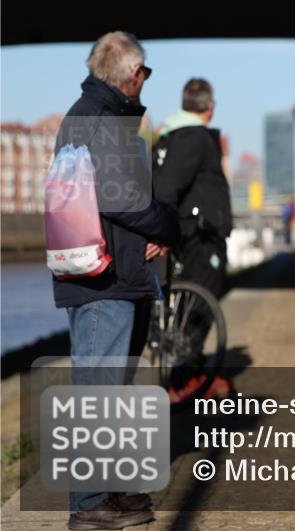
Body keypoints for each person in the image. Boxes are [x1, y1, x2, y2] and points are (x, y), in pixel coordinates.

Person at [52, 31, 179, 530]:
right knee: (98, 387)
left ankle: (113, 490)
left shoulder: (96, 116)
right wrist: (166, 225)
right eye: (145, 73)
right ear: (132, 74)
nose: (145, 81)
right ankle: (88, 503)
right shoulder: (98, 120)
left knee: (114, 386)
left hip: (117, 270)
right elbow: (120, 198)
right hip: (102, 278)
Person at [152, 78, 232, 298]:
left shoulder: (170, 136)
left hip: (184, 230)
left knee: (187, 300)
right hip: (199, 234)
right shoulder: (193, 137)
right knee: (200, 303)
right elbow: (168, 186)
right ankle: (185, 334)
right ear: (210, 105)